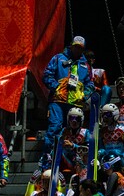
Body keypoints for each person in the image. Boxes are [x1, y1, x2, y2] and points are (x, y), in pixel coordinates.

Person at [41, 35, 95, 166]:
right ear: (71, 46)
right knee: (55, 126)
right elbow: (47, 75)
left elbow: (90, 84)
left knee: (73, 131)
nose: (77, 50)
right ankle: (47, 159)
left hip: (75, 104)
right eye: (75, 47)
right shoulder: (58, 58)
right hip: (58, 100)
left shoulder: (85, 65)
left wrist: (84, 95)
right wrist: (56, 87)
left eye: (80, 48)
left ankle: (74, 160)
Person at [97, 103, 124, 171]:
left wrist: (120, 155)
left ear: (115, 115)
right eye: (104, 114)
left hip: (119, 158)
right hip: (106, 158)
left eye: (108, 114)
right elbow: (101, 148)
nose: (105, 117)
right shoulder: (102, 131)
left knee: (115, 152)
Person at [59, 107, 93, 179]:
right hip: (66, 158)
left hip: (80, 160)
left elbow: (88, 150)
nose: (74, 121)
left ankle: (80, 179)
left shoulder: (86, 132)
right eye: (71, 118)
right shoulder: (64, 131)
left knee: (79, 158)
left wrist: (73, 146)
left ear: (81, 120)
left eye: (77, 119)